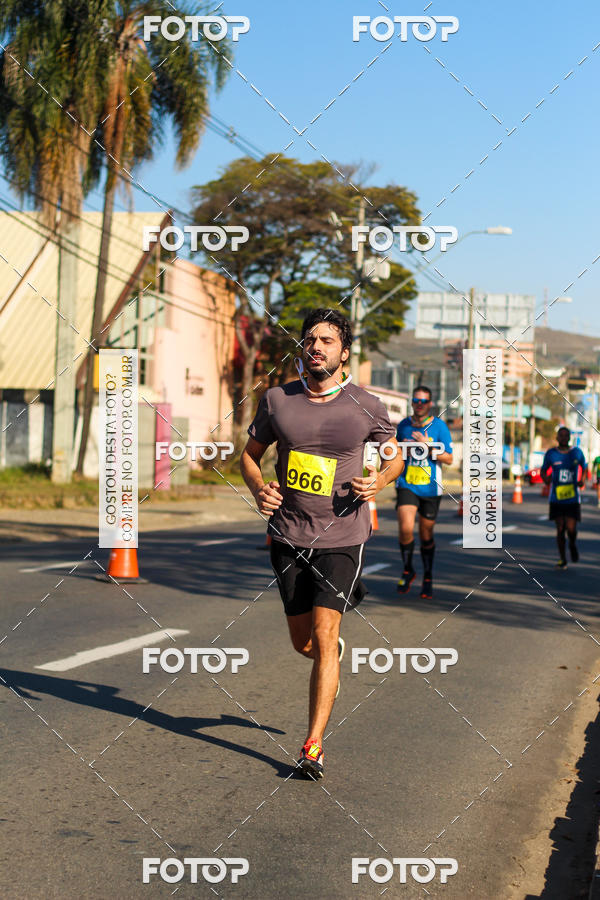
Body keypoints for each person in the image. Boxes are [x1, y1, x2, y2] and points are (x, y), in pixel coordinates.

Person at [240, 308, 403, 779]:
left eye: (327, 340)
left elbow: (393, 456)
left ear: (343, 353)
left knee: (326, 636)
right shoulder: (277, 401)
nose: (316, 346)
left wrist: (380, 481)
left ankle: (312, 744)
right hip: (288, 534)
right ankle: (328, 655)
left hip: (343, 535)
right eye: (310, 338)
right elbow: (250, 457)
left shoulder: (366, 405)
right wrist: (257, 487)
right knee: (303, 643)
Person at [395, 386, 453, 600]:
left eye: (424, 401)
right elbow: (396, 453)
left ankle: (428, 576)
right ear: (412, 402)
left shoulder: (439, 427)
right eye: (416, 400)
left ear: (430, 404)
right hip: (407, 484)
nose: (419, 404)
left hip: (430, 488)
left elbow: (449, 458)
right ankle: (408, 568)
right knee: (405, 527)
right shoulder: (403, 426)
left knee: (426, 534)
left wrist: (427, 447)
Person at [541, 427, 587, 569]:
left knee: (571, 529)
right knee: (560, 528)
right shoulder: (551, 454)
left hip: (572, 498)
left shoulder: (576, 453)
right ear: (557, 437)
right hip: (556, 498)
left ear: (569, 438)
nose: (563, 437)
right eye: (561, 435)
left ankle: (572, 544)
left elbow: (584, 466)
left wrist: (582, 480)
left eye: (566, 435)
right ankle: (562, 559)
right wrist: (546, 479)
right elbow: (543, 470)